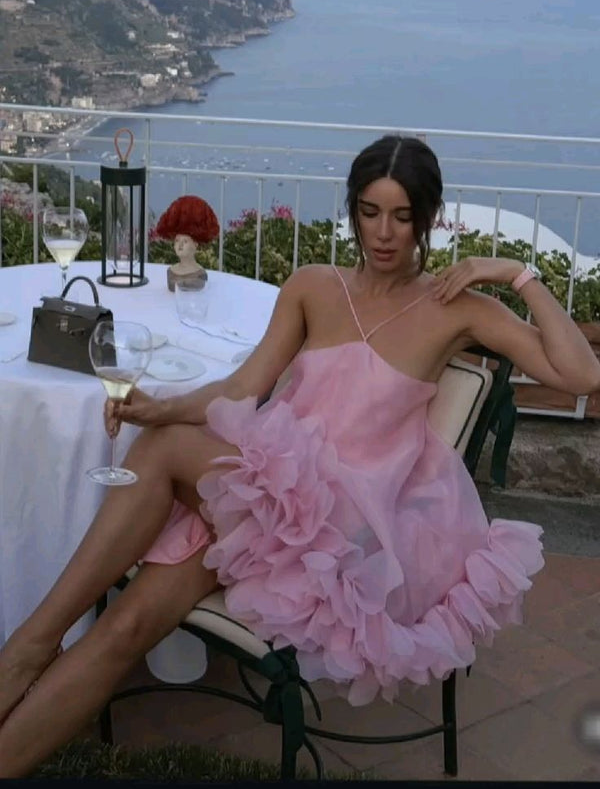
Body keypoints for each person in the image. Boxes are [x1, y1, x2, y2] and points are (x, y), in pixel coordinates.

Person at [1, 135, 599, 776]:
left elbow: (581, 374)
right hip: (263, 499)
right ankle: (25, 675)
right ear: (353, 210)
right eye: (370, 212)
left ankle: (32, 642)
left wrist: (515, 274)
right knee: (125, 629)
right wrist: (159, 406)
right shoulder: (314, 285)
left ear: (428, 219)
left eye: (402, 216)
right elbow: (243, 388)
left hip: (341, 526)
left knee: (167, 448)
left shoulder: (457, 309)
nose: (384, 233)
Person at [155, 195, 219, 292]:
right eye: (177, 240)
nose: (180, 245)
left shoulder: (199, 275)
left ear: (195, 244)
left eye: (185, 241)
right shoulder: (171, 271)